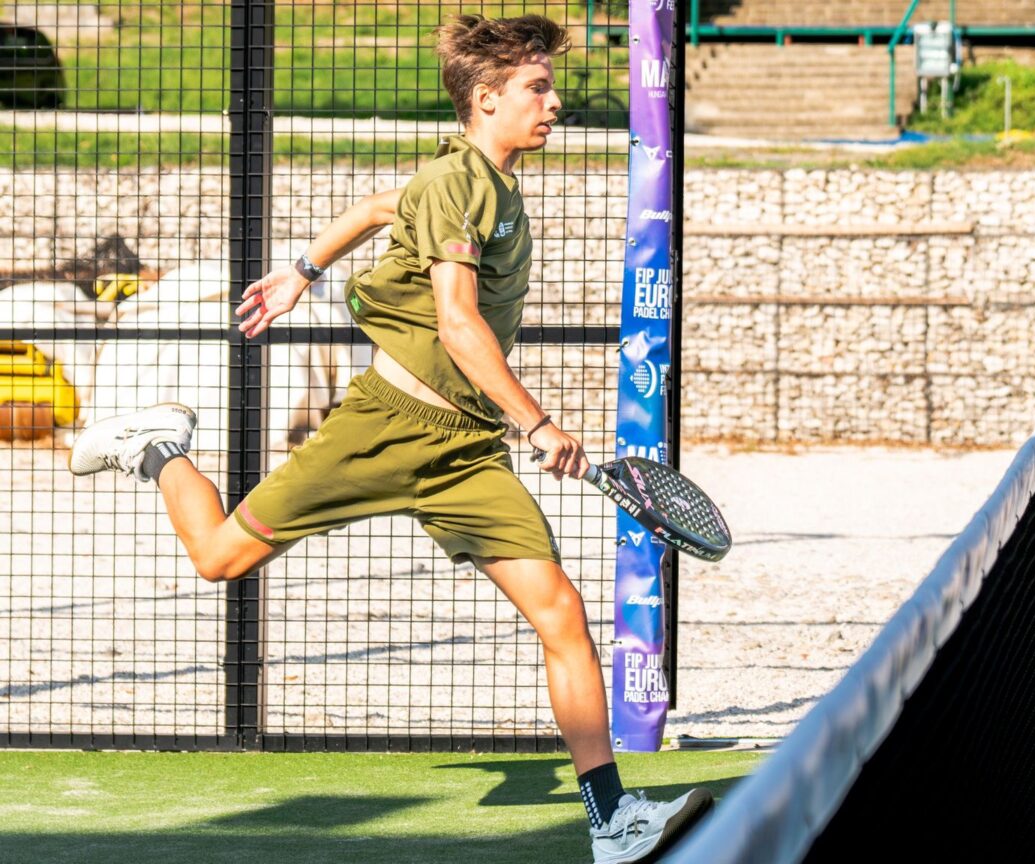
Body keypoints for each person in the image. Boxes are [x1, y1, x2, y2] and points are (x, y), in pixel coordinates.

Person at [66, 14, 710, 864]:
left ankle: (612, 820)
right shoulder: (456, 181)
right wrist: (539, 422)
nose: (555, 103)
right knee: (219, 557)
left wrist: (302, 272)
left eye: (551, 87)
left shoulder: (490, 185)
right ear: (487, 98)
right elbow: (457, 323)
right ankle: (157, 445)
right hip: (383, 429)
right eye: (538, 88)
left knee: (560, 611)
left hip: (465, 452)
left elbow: (379, 206)